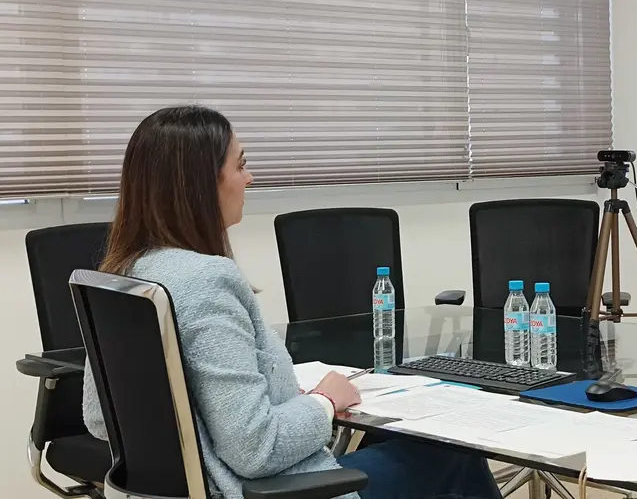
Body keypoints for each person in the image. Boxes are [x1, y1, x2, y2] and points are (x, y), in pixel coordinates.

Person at [81, 106, 501, 499]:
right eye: (241, 164)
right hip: (260, 489)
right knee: (456, 457)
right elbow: (255, 450)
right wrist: (324, 402)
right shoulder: (206, 280)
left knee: (402, 436)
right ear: (200, 184)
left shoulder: (124, 271)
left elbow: (99, 419)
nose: (250, 178)